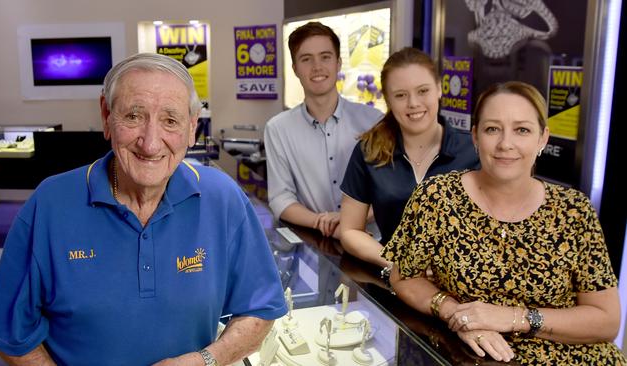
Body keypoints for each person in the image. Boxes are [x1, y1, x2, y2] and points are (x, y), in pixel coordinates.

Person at [0, 53, 287, 366]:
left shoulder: (224, 199)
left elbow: (260, 308)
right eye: (134, 116)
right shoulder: (49, 203)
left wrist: (207, 359)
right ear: (106, 115)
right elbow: (9, 336)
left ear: (193, 128)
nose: (151, 143)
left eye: (170, 120)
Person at [382, 81, 626, 364]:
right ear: (475, 136)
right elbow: (404, 277)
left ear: (543, 138)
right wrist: (458, 314)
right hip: (475, 356)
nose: (505, 144)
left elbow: (606, 321)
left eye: (522, 130)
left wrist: (513, 318)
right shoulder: (438, 197)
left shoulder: (574, 210)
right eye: (492, 129)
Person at [340, 47, 478, 275]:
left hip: (463, 290)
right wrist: (397, 264)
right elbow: (350, 231)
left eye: (422, 91)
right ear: (388, 100)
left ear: (439, 89)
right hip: (395, 284)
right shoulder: (369, 151)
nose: (413, 103)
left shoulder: (473, 151)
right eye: (401, 95)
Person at [264, 22, 382, 239]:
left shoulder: (374, 122)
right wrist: (322, 223)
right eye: (306, 59)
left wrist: (347, 221)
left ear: (338, 63)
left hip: (374, 246)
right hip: (316, 247)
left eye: (325, 57)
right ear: (295, 69)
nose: (317, 67)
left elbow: (388, 192)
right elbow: (281, 198)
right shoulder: (277, 129)